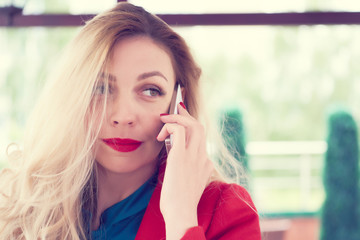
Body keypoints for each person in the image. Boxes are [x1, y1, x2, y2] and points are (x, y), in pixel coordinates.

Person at [0, 2, 261, 240]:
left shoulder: (225, 209)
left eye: (150, 90)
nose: (123, 117)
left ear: (179, 103)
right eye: (100, 88)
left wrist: (181, 218)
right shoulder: (21, 203)